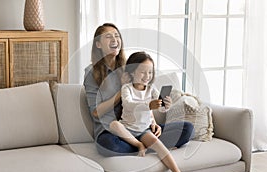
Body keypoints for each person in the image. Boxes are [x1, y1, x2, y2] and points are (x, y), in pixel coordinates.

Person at [83, 23, 194, 157]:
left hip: (140, 128)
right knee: (108, 145)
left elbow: (144, 97)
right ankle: (151, 146)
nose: (114, 39)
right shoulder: (91, 72)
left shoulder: (130, 68)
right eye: (108, 36)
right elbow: (96, 112)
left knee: (187, 129)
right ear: (98, 44)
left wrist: (153, 122)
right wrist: (121, 91)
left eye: (117, 36)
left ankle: (146, 144)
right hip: (113, 132)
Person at [109, 51, 190, 172]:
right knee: (114, 125)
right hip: (127, 129)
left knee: (159, 145)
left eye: (150, 72)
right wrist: (148, 105)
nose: (147, 76)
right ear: (132, 72)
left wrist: (166, 105)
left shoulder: (151, 89)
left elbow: (161, 108)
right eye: (142, 72)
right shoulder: (127, 88)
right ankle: (139, 145)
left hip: (144, 130)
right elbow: (129, 105)